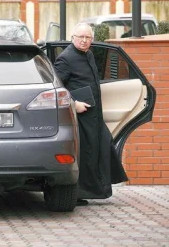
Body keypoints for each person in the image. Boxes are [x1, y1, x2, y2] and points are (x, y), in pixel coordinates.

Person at [53, 23, 128, 206]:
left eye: (88, 38)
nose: (84, 41)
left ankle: (99, 189)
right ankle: (78, 194)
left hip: (94, 115)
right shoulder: (66, 58)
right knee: (85, 154)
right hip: (80, 116)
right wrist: (74, 103)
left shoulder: (88, 54)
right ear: (73, 38)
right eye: (81, 37)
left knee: (103, 144)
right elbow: (56, 87)